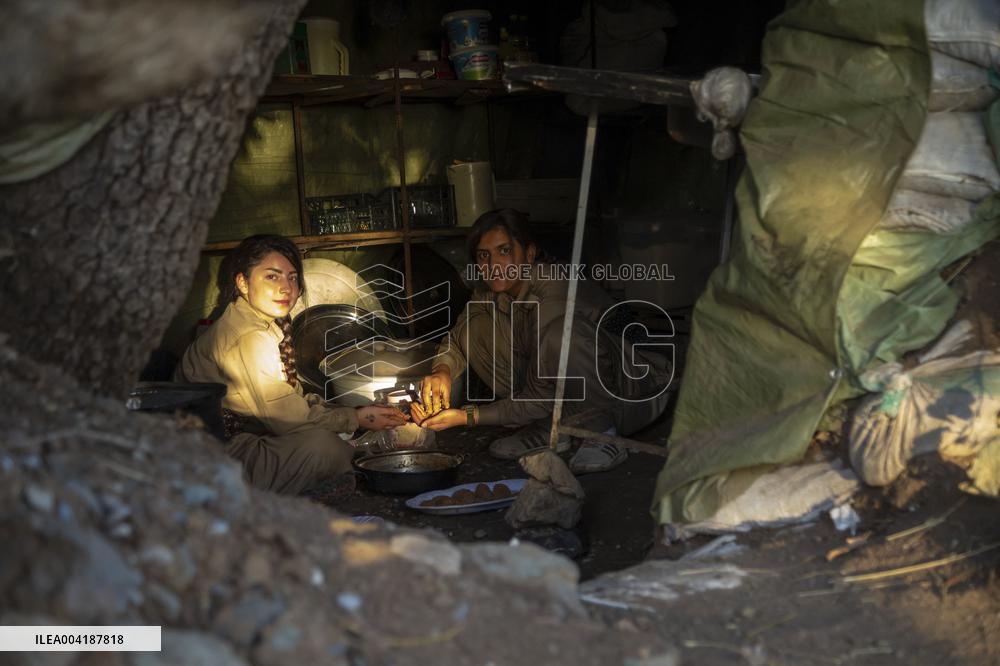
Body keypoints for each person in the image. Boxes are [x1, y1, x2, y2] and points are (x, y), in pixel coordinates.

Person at [413, 209, 672, 473]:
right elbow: (456, 340)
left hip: (632, 392)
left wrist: (467, 416)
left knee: (561, 335)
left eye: (504, 251)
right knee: (475, 327)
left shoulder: (553, 286)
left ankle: (602, 434)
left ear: (529, 253)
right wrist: (442, 371)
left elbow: (540, 396)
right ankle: (552, 426)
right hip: (560, 400)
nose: (493, 265)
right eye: (484, 255)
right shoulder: (490, 294)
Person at [177, 234, 408, 495]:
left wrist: (348, 413)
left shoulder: (253, 322)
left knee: (332, 438)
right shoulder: (247, 336)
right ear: (242, 282)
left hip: (235, 443)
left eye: (292, 277)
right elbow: (285, 418)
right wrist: (355, 418)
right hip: (219, 459)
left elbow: (288, 397)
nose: (286, 287)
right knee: (325, 447)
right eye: (272, 277)